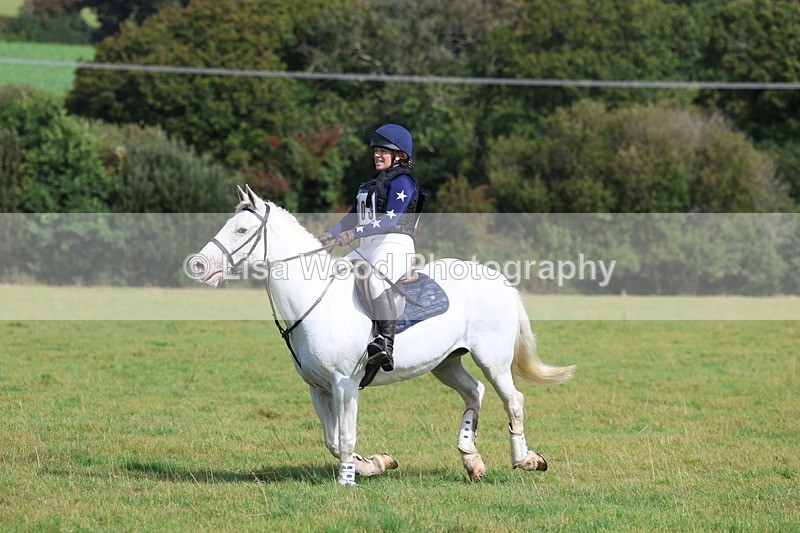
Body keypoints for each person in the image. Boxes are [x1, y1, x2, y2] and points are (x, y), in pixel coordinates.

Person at [319, 124, 424, 371]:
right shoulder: (372, 184)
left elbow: (390, 219)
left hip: (395, 243)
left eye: (383, 151)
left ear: (400, 155)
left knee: (376, 280)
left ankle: (386, 343)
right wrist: (330, 233)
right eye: (375, 150)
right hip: (367, 244)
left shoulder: (403, 181)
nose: (377, 154)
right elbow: (353, 216)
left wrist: (353, 233)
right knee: (333, 273)